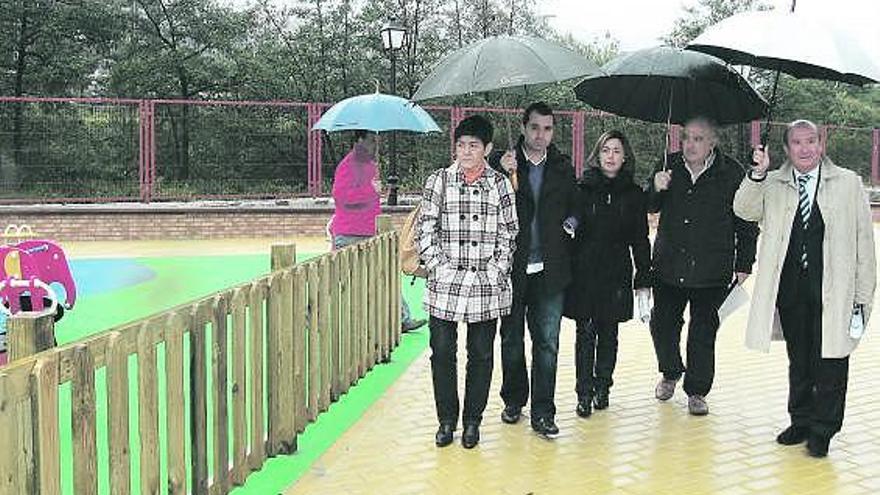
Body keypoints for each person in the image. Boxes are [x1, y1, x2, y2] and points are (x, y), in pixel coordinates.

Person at [733, 119, 876, 457]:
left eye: (811, 140)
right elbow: (744, 209)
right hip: (792, 289)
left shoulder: (847, 183)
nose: (805, 148)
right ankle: (800, 420)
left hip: (835, 290)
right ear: (786, 149)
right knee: (799, 360)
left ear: (821, 144)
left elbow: (865, 245)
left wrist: (862, 297)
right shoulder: (773, 183)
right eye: (797, 142)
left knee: (832, 361)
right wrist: (757, 173)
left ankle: (823, 429)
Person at [417, 115, 518, 449]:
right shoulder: (438, 181)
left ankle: (473, 421)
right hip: (445, 283)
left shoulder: (500, 184)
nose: (466, 151)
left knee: (481, 354)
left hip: (486, 285)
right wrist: (437, 266)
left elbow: (509, 233)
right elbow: (426, 229)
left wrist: (496, 271)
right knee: (442, 352)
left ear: (487, 148)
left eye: (473, 145)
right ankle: (447, 419)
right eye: (461, 145)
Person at [646, 116, 758, 416]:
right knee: (663, 324)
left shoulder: (732, 172)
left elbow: (746, 219)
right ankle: (670, 371)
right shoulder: (667, 164)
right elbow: (649, 206)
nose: (690, 144)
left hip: (713, 267)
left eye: (698, 138)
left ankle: (697, 391)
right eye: (686, 138)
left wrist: (745, 261)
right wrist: (656, 187)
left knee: (703, 332)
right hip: (669, 265)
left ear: (712, 142)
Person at [488, 102, 580, 438]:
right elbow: (485, 198)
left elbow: (576, 205)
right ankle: (514, 400)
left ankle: (544, 412)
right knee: (511, 338)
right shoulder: (504, 163)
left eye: (548, 128)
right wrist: (498, 167)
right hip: (512, 267)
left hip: (551, 269)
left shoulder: (562, 166)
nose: (541, 135)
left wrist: (571, 222)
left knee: (548, 342)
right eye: (535, 128)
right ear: (524, 128)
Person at [564, 130, 651, 418]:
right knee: (585, 333)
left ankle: (603, 386)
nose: (611, 156)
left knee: (609, 333)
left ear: (625, 156)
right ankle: (583, 392)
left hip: (616, 273)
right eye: (605, 150)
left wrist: (643, 277)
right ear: (597, 155)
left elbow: (640, 238)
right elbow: (570, 224)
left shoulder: (634, 194)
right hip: (585, 271)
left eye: (616, 150)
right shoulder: (582, 188)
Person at [330, 130, 426, 332]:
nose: (375, 145)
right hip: (350, 233)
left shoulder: (370, 166)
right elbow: (341, 196)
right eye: (371, 141)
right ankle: (310, 311)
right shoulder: (347, 166)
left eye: (376, 141)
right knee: (336, 278)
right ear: (359, 141)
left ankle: (402, 317)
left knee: (385, 273)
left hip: (370, 231)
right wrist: (370, 190)